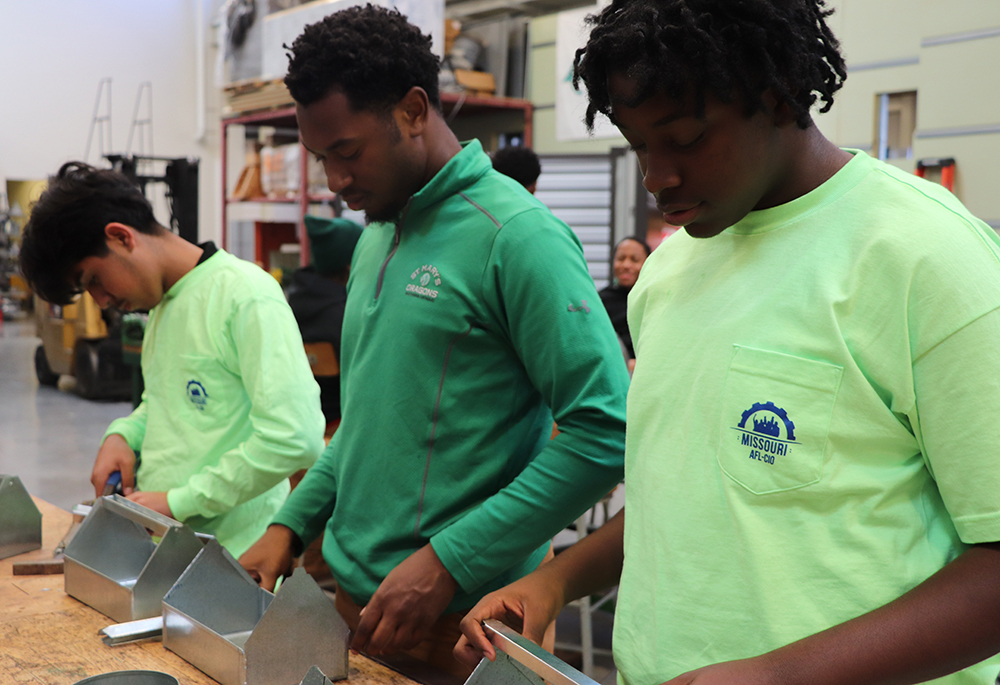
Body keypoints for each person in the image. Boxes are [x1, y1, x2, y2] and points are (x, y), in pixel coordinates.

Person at [456, 2, 1000, 685]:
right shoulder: (670, 273)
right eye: (638, 144)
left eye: (683, 139)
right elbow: (691, 499)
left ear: (774, 98)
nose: (657, 177)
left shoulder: (926, 257)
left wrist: (777, 674)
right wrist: (556, 580)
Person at [237, 4, 628, 678]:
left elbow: (606, 431)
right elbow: (366, 423)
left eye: (348, 152)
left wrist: (450, 561)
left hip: (467, 624)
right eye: (322, 157)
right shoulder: (377, 235)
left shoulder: (518, 237)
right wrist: (289, 524)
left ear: (414, 110)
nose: (336, 181)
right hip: (358, 605)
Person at [19, 162, 325, 558]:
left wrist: (179, 502)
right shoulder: (162, 306)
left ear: (121, 237)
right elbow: (167, 401)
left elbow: (294, 439)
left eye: (93, 279)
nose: (102, 300)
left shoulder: (245, 295)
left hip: (234, 563)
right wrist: (123, 435)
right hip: (170, 550)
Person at [286, 214, 363, 429]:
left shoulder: (289, 305)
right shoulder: (347, 316)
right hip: (344, 426)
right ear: (351, 266)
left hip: (301, 422)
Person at [599, 236, 650, 364]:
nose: (626, 265)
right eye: (621, 259)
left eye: (635, 260)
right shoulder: (601, 301)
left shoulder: (653, 298)